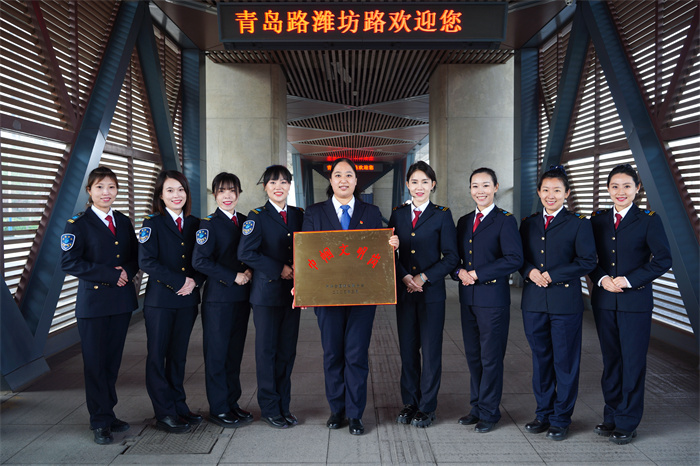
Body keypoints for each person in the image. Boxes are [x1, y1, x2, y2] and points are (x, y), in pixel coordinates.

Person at [302, 157, 399, 436]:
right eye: (337, 175)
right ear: (330, 180)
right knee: (333, 353)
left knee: (356, 355)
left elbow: (379, 254)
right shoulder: (315, 212)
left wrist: (392, 246)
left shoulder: (371, 212)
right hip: (327, 297)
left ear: (356, 181)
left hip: (362, 297)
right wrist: (304, 287)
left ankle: (355, 413)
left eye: (348, 175)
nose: (343, 180)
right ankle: (337, 409)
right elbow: (307, 253)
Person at [589, 163, 672, 445]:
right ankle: (611, 415)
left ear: (637, 188)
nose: (620, 191)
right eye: (615, 186)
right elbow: (588, 258)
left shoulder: (648, 219)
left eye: (626, 186)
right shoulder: (597, 219)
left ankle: (627, 421)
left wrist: (628, 280)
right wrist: (602, 279)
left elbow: (663, 259)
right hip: (604, 301)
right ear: (608, 189)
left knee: (633, 362)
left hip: (635, 302)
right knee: (611, 361)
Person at [60, 166, 139, 445]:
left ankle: (109, 412)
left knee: (112, 363)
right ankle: (99, 421)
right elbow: (69, 262)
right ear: (89, 191)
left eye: (111, 187)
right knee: (95, 363)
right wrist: (110, 274)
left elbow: (136, 256)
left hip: (120, 302)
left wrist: (127, 271)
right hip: (93, 305)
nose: (106, 192)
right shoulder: (78, 224)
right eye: (100, 187)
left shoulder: (123, 221)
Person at [519, 165, 596, 441]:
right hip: (534, 302)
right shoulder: (528, 223)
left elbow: (588, 261)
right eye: (546, 190)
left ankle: (561, 418)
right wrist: (529, 271)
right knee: (541, 361)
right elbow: (517, 257)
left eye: (557, 190)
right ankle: (543, 413)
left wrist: (554, 274)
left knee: (565, 362)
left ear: (567, 193)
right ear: (539, 192)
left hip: (565, 303)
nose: (551, 195)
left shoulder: (579, 223)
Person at [388, 161, 458, 428]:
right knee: (408, 351)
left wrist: (423, 277)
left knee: (430, 352)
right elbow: (389, 252)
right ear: (407, 185)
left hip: (431, 294)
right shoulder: (398, 214)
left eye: (425, 182)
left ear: (433, 185)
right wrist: (405, 276)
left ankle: (427, 406)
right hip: (405, 292)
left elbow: (451, 257)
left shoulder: (442, 215)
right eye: (415, 182)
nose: (419, 187)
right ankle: (410, 402)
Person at [453, 167, 523, 433]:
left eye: (485, 185)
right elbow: (454, 258)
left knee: (491, 357)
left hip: (493, 300)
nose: (480, 191)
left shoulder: (505, 220)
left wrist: (478, 273)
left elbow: (514, 259)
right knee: (473, 356)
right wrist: (458, 271)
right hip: (468, 298)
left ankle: (490, 412)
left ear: (495, 187)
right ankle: (477, 407)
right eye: (475, 186)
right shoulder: (463, 221)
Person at [237, 165, 304, 429]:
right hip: (266, 294)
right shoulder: (256, 217)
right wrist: (280, 268)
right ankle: (269, 408)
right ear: (265, 187)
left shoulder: (299, 215)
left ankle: (284, 406)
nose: (278, 187)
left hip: (293, 295)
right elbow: (246, 253)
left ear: (290, 186)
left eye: (284, 182)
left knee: (287, 352)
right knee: (267, 352)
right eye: (273, 182)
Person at [138, 170, 205, 433]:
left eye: (181, 189)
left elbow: (203, 259)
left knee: (178, 357)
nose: (176, 195)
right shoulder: (152, 223)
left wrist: (194, 281)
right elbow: (146, 261)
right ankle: (164, 412)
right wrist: (179, 282)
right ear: (160, 195)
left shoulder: (195, 224)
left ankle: (179, 406)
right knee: (157, 357)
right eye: (170, 190)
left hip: (187, 301)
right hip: (160, 302)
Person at [192, 172, 253, 428]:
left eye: (232, 191)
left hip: (242, 298)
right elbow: (200, 261)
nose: (227, 196)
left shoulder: (246, 221)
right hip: (218, 299)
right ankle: (218, 408)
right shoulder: (208, 224)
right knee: (217, 354)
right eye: (221, 191)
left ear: (239, 193)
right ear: (215, 194)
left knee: (234, 354)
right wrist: (233, 276)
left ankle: (232, 402)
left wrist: (249, 270)